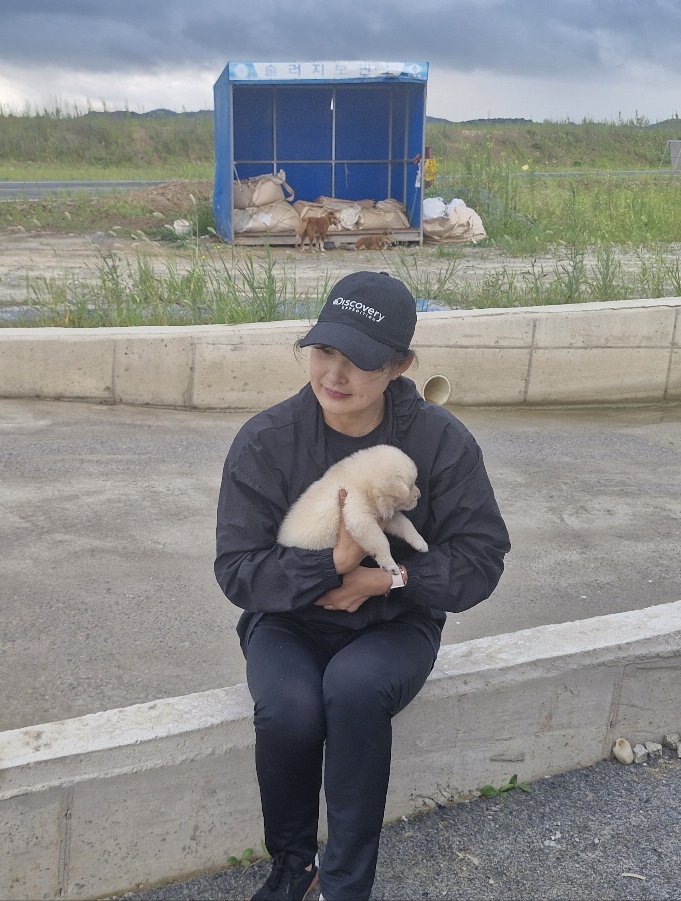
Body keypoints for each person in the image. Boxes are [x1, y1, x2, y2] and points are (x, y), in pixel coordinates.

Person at [215, 271, 511, 900]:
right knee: (290, 709)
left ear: (401, 365)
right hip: (289, 620)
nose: (334, 375)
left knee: (353, 690)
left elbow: (482, 558)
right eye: (323, 351)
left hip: (396, 622)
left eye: (359, 361)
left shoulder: (439, 440)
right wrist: (332, 566)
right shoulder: (267, 441)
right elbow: (238, 568)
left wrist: (386, 582)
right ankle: (292, 864)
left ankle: (346, 884)